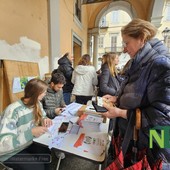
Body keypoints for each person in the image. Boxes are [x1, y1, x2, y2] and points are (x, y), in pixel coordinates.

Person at [102, 18, 170, 168]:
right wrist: (117, 98)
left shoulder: (160, 64)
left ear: (141, 38)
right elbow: (138, 93)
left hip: (145, 143)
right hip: (131, 137)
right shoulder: (139, 62)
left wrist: (120, 113)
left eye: (126, 43)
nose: (124, 49)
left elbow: (163, 116)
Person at [0, 78, 53, 170]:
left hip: (28, 143)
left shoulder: (37, 104)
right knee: (37, 167)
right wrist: (30, 133)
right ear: (37, 93)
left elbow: (43, 115)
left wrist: (45, 119)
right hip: (10, 152)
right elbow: (3, 144)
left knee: (46, 154)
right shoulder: (13, 111)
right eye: (44, 92)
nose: (45, 94)